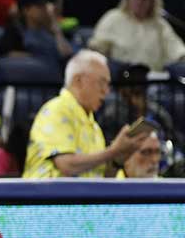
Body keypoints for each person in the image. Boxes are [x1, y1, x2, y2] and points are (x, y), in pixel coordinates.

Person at [23, 51, 150, 179]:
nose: (106, 92)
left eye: (107, 85)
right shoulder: (56, 110)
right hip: (47, 197)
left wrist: (117, 159)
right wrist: (112, 151)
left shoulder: (94, 126)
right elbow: (66, 165)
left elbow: (102, 178)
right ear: (78, 81)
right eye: (102, 83)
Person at [89, 0, 185, 71]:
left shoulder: (159, 24)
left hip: (153, 80)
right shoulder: (113, 18)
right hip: (121, 79)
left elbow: (177, 50)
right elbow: (97, 49)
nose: (140, 1)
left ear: (153, 1)